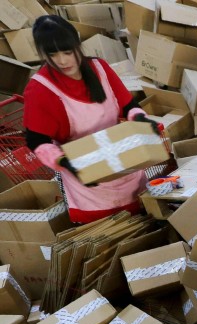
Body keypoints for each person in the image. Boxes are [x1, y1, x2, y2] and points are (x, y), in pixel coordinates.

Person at [24, 16, 159, 224]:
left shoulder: (100, 69)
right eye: (53, 54)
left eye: (68, 52)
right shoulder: (40, 89)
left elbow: (128, 106)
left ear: (78, 45)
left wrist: (141, 119)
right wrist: (65, 162)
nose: (62, 61)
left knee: (148, 223)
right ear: (43, 54)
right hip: (88, 180)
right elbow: (36, 141)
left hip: (126, 166)